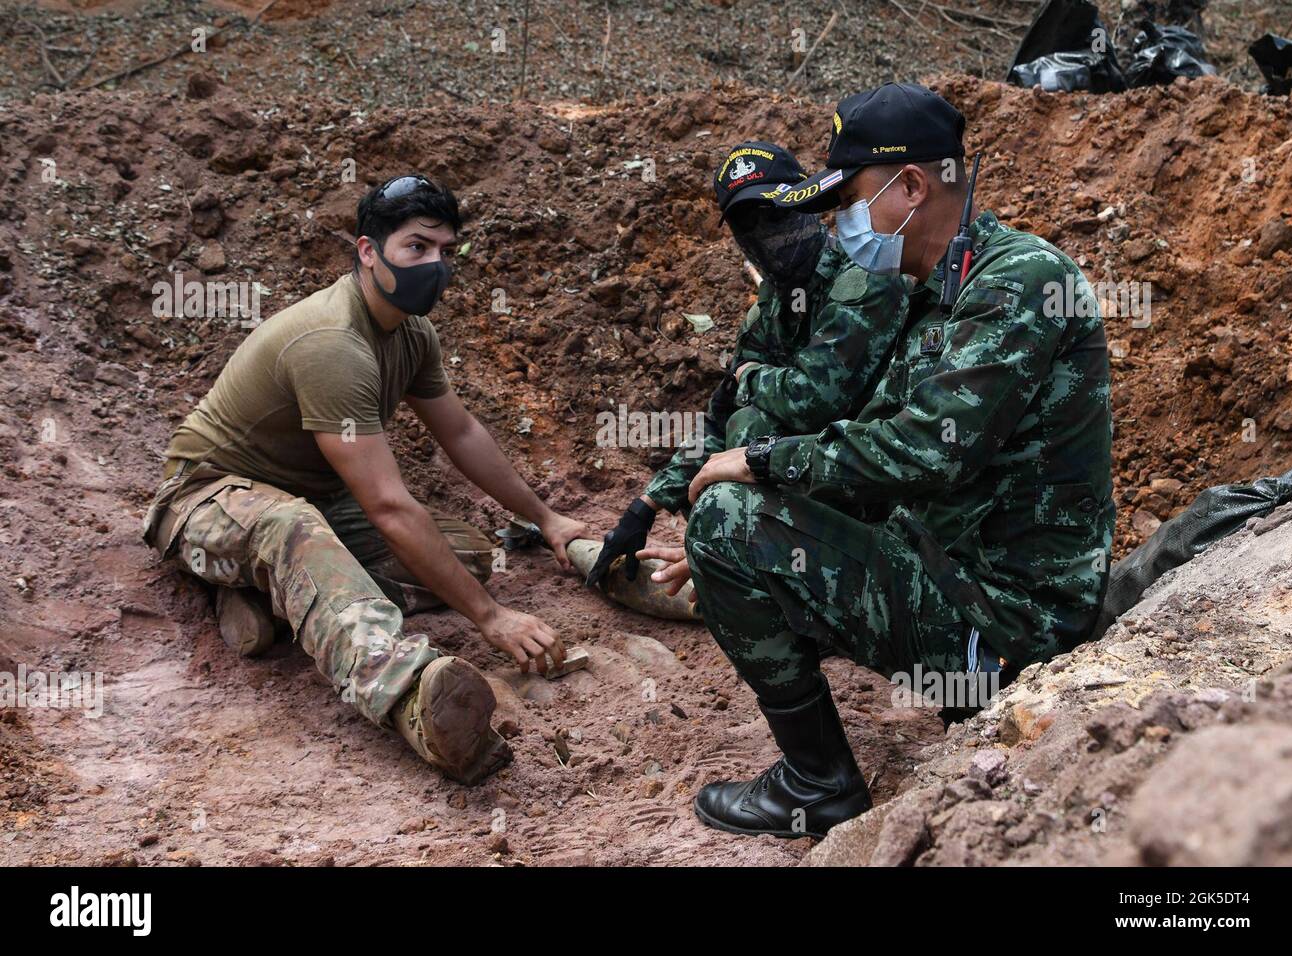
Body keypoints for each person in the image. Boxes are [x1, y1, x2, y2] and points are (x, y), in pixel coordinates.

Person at [665, 83, 1114, 838]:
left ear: (910, 186)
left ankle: (816, 786)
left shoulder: (1020, 282)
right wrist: (775, 525)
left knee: (727, 523)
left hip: (1009, 627)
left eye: (847, 203)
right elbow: (877, 440)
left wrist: (760, 470)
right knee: (736, 525)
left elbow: (921, 454)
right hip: (960, 580)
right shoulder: (941, 290)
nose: (839, 228)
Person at [142, 175, 586, 785]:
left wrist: (548, 518)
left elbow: (459, 433)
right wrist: (491, 618)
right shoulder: (333, 343)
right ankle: (406, 694)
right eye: (417, 247)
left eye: (447, 252)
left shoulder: (410, 331)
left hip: (313, 504)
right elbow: (386, 505)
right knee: (295, 529)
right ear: (368, 251)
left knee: (466, 554)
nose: (435, 265)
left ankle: (276, 603)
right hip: (206, 502)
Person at [587, 141, 909, 592]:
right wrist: (647, 505)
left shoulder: (862, 279)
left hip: (881, 480)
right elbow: (720, 412)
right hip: (813, 476)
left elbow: (813, 400)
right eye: (747, 223)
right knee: (741, 426)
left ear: (807, 203)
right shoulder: (770, 310)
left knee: (752, 425)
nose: (766, 235)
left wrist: (753, 377)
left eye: (775, 213)